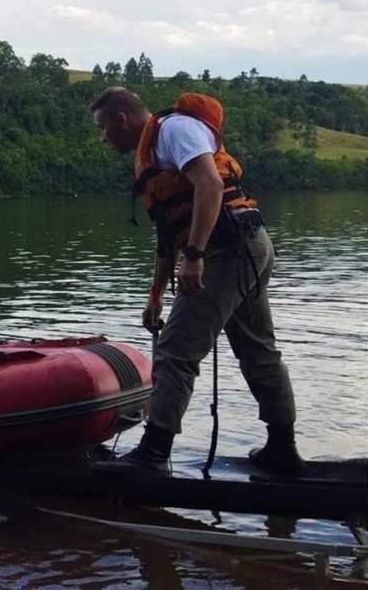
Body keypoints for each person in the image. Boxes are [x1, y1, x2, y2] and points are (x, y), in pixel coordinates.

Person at [87, 87, 304, 476]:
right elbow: (170, 232)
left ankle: (153, 455)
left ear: (122, 119)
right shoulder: (153, 153)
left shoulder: (173, 129)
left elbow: (211, 184)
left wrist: (195, 255)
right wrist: (155, 293)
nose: (103, 139)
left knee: (175, 350)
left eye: (103, 129)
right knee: (258, 351)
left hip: (226, 248)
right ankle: (282, 449)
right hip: (243, 245)